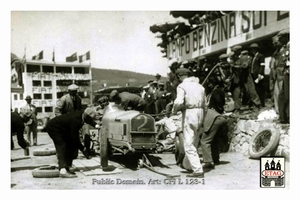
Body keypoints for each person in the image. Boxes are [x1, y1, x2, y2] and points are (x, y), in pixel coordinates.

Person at [42, 107, 101, 178]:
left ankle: (68, 165)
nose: (90, 119)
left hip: (62, 128)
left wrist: (96, 125)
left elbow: (88, 120)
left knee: (70, 145)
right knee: (62, 145)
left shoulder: (83, 114)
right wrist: (83, 149)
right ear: (86, 115)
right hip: (53, 127)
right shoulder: (76, 120)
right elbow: (75, 138)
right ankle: (63, 170)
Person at [172, 67, 205, 178]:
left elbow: (178, 102)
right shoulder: (200, 86)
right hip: (200, 112)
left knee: (188, 143)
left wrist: (174, 111)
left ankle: (197, 170)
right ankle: (190, 165)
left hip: (190, 112)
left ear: (180, 76)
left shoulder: (182, 86)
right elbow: (206, 103)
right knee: (194, 141)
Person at [200, 77, 227, 169]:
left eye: (210, 84)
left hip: (214, 118)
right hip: (219, 117)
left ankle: (208, 162)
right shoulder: (220, 91)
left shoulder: (215, 92)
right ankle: (216, 159)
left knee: (205, 141)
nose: (209, 85)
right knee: (214, 140)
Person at [276, 29, 290, 124]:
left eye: (281, 38)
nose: (280, 41)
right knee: (283, 96)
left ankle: (286, 117)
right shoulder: (285, 48)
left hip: (289, 74)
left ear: (286, 37)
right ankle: (284, 117)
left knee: (287, 95)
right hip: (285, 74)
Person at [249, 43, 266, 107]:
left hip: (259, 76)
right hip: (253, 76)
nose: (252, 51)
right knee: (256, 89)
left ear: (256, 49)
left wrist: (259, 75)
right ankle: (258, 104)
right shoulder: (253, 57)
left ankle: (262, 104)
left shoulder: (260, 56)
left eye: (253, 49)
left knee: (260, 90)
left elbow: (262, 66)